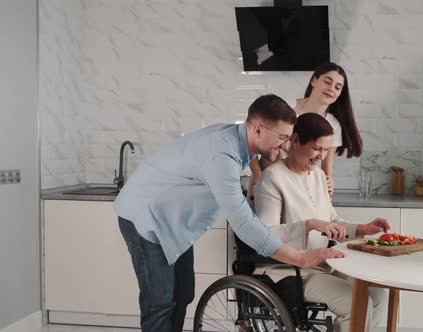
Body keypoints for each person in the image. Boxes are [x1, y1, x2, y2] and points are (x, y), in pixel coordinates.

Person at [114, 95, 344, 332]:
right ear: (257, 130)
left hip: (172, 220)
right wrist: (300, 258)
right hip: (145, 216)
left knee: (183, 293)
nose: (286, 145)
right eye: (283, 137)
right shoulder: (222, 154)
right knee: (160, 302)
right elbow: (243, 224)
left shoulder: (240, 142)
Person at [253, 113, 389, 332]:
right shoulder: (272, 179)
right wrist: (309, 224)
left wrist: (363, 228)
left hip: (326, 264)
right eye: (317, 149)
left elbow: (332, 220)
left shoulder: (317, 175)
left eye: (326, 150)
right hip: (291, 270)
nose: (321, 156)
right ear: (295, 141)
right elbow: (264, 235)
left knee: (378, 295)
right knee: (354, 304)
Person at [248, 62, 363, 198]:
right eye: (327, 82)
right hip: (265, 181)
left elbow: (326, 172)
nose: (331, 89)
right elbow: (251, 142)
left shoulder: (333, 125)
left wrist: (328, 183)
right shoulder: (286, 106)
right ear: (314, 80)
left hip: (297, 190)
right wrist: (257, 176)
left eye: (338, 87)